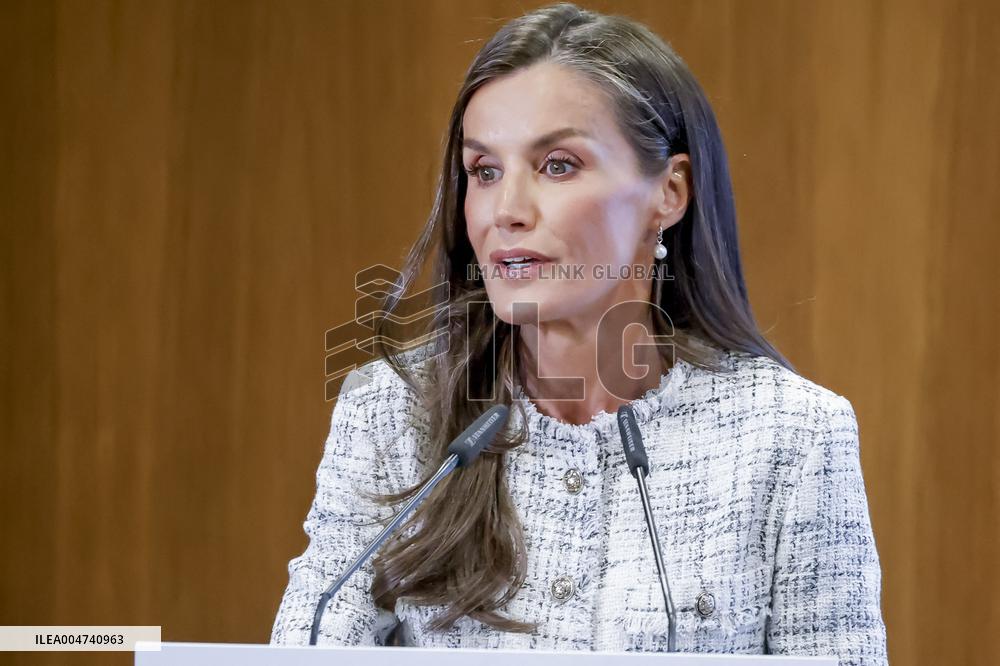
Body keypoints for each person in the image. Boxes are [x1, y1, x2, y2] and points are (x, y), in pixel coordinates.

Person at [270, 3, 888, 664]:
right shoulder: (389, 412)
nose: (506, 211)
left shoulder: (789, 435)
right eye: (484, 171)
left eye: (557, 165)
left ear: (669, 192)